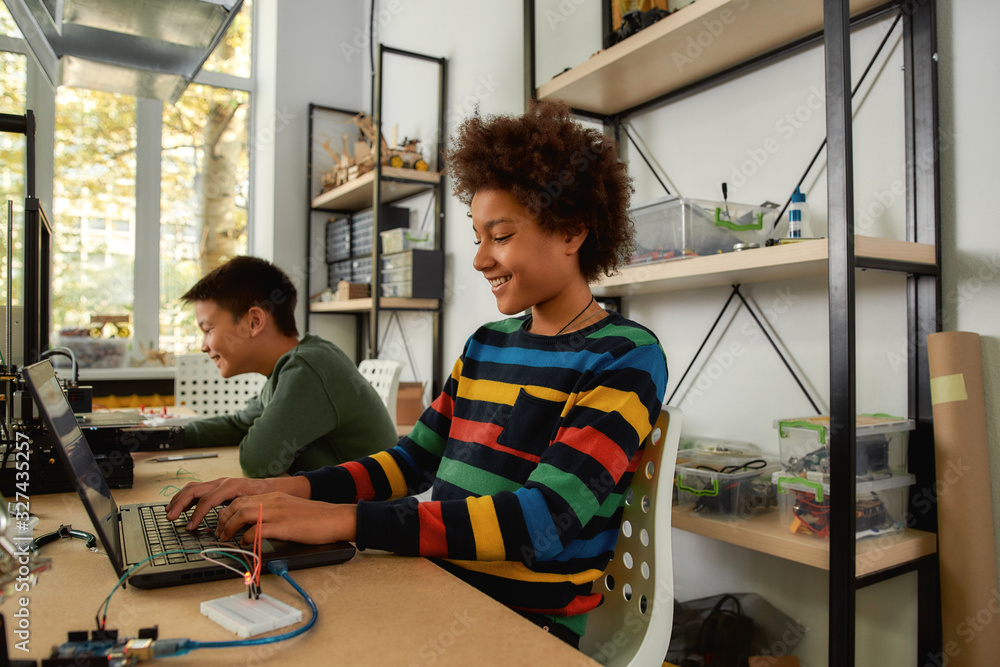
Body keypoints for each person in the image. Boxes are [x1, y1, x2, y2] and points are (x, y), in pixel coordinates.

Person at [167, 102, 668, 648]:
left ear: (572, 230)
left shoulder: (622, 356)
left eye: (499, 236)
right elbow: (411, 463)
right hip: (435, 580)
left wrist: (342, 520)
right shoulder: (486, 345)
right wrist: (275, 489)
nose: (479, 260)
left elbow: (543, 521)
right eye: (478, 237)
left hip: (525, 627)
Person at [179, 255, 398, 477]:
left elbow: (257, 460)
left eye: (208, 330)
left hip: (362, 509)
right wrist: (167, 436)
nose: (203, 346)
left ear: (253, 322)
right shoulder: (286, 370)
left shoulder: (308, 367)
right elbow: (239, 424)